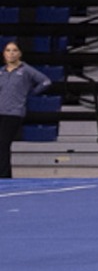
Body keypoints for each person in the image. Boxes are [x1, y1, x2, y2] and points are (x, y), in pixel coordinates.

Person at [0, 40, 52, 178]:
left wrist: (31, 92)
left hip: (13, 112)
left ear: (20, 53)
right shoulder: (1, 71)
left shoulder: (25, 70)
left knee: (3, 143)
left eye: (14, 50)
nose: (11, 53)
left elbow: (45, 81)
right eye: (8, 50)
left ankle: (4, 176)